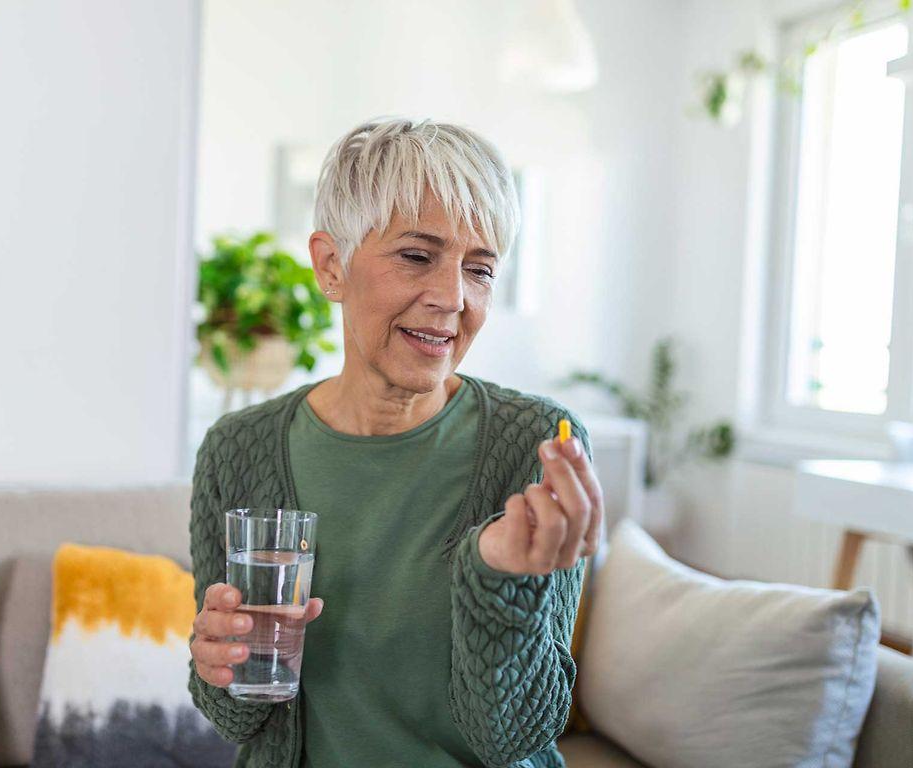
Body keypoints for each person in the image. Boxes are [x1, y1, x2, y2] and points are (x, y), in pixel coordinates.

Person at [188, 116, 604, 768]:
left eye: (480, 269)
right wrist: (218, 658)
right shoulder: (239, 450)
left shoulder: (536, 445)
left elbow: (515, 737)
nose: (452, 297)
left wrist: (497, 578)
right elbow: (236, 714)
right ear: (332, 265)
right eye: (417, 255)